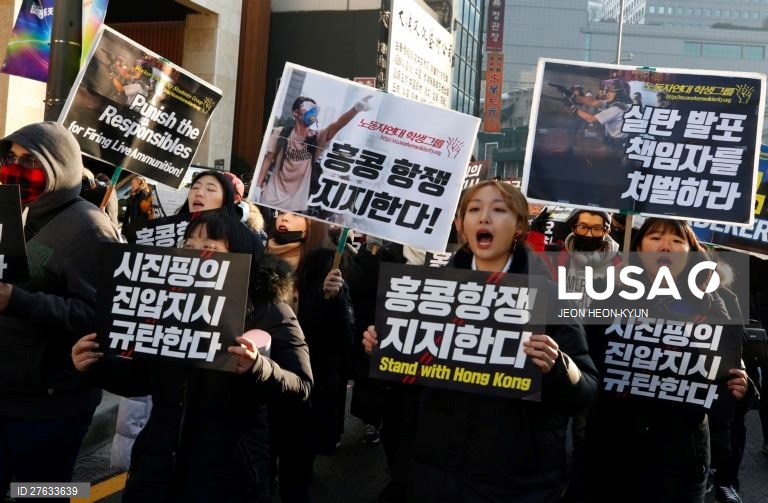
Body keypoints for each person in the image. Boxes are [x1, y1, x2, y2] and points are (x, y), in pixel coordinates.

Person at [363, 180, 600, 502]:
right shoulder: (427, 295)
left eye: (498, 210)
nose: (485, 218)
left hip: (515, 482)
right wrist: (386, 349)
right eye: (474, 209)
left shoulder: (550, 299)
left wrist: (559, 367)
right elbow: (409, 390)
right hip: (433, 474)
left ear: (519, 225)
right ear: (460, 224)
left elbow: (584, 390)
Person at [71, 212, 312, 502]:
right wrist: (96, 366)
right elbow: (144, 379)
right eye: (189, 244)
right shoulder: (168, 305)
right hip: (157, 465)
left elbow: (300, 386)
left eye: (210, 245)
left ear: (240, 255)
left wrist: (257, 367)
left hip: (229, 472)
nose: (197, 252)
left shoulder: (269, 311)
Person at [582, 218, 749, 503]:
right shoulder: (607, 294)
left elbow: (728, 363)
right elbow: (587, 359)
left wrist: (739, 383)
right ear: (638, 247)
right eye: (656, 237)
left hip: (682, 452)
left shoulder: (717, 300)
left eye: (676, 240)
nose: (666, 246)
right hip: (612, 445)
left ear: (690, 250)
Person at [0, 122, 121, 498]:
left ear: (58, 165)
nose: (16, 167)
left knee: (42, 493)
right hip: (7, 391)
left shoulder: (90, 228)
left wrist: (16, 300)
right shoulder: (17, 211)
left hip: (52, 405)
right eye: (11, 157)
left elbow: (101, 314)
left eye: (29, 160)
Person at [266, 211, 354, 503]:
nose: (283, 218)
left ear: (310, 224)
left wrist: (334, 298)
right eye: (281, 212)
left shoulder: (326, 266)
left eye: (294, 214)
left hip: (306, 381)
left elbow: (342, 339)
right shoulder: (258, 256)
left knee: (296, 470)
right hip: (262, 372)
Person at [256, 94, 372, 212]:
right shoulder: (281, 132)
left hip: (296, 207)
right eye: (308, 106)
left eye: (315, 108)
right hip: (270, 200)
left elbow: (336, 126)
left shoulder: (316, 138)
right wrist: (257, 186)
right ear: (296, 113)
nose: (312, 111)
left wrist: (355, 109)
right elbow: (268, 159)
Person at [571, 78, 632, 147]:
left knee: (583, 139)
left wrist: (574, 109)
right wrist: (574, 96)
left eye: (610, 91)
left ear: (619, 94)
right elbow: (593, 103)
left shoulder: (617, 108)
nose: (606, 93)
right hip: (612, 139)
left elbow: (591, 119)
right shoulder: (618, 103)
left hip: (615, 144)